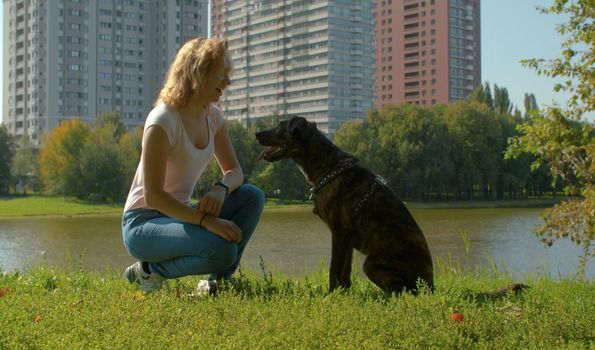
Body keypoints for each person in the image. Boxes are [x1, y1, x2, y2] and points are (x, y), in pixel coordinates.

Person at [121, 38, 265, 293]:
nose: (227, 82)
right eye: (222, 74)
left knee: (251, 196)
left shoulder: (213, 116)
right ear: (198, 73)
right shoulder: (162, 121)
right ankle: (148, 272)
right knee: (222, 249)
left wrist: (221, 188)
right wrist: (204, 221)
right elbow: (153, 197)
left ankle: (216, 282)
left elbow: (235, 172)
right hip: (142, 224)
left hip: (180, 215)